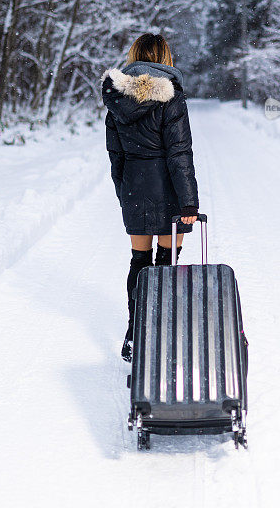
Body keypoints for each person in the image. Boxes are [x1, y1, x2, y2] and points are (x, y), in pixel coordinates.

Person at [101, 33, 199, 362]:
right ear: (163, 57)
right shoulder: (171, 96)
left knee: (139, 263)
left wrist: (124, 190)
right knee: (167, 264)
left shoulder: (116, 98)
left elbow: (115, 155)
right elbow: (179, 153)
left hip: (134, 187)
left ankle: (135, 332)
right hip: (170, 189)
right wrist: (189, 203)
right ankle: (164, 329)